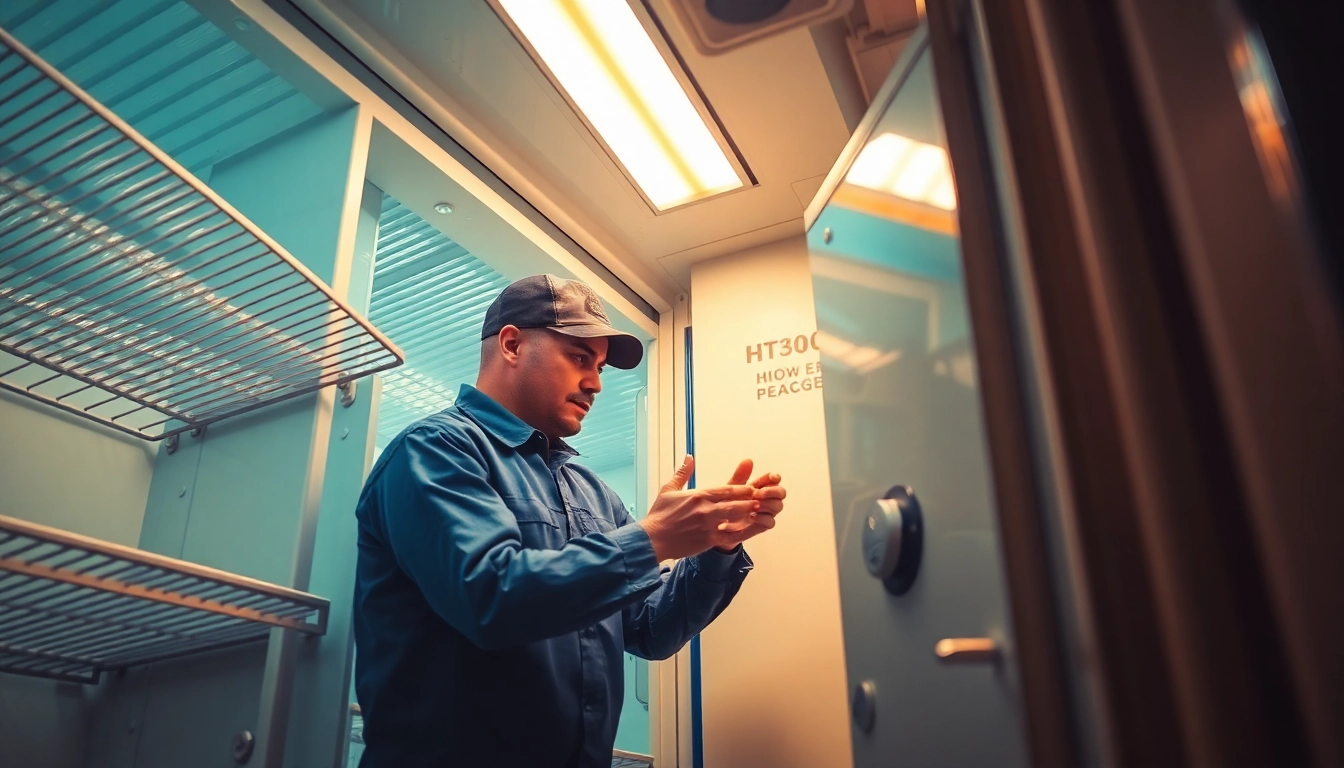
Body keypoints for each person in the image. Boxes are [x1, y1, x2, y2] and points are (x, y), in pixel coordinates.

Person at [352, 274, 787, 767]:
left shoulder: (591, 491)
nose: (596, 383)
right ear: (512, 344)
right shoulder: (435, 451)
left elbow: (648, 628)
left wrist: (716, 550)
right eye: (580, 358)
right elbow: (491, 597)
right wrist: (653, 538)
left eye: (599, 366)